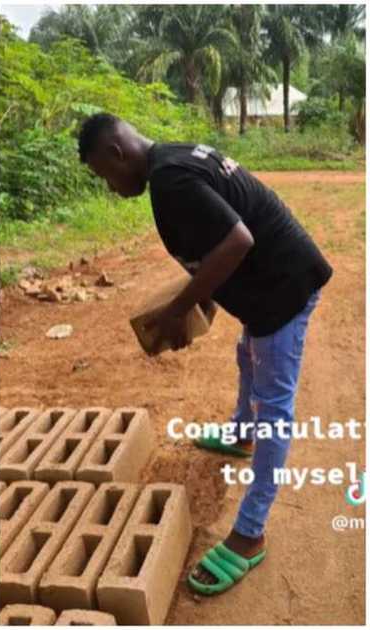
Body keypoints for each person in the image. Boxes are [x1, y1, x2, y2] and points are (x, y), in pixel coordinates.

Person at [77, 113, 332, 595]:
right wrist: (207, 294)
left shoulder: (171, 181)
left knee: (275, 405)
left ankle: (250, 533)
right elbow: (218, 237)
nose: (110, 188)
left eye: (103, 176)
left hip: (285, 289)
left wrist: (179, 310)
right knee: (246, 354)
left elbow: (238, 240)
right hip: (270, 286)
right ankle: (241, 433)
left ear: (116, 153)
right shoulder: (174, 158)